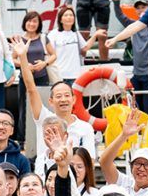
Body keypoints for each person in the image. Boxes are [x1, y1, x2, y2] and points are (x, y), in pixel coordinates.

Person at [16, 48, 97, 176]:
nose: (63, 99)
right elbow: (31, 88)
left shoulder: (85, 128)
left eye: (66, 95)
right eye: (58, 96)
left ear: (73, 99)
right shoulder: (44, 119)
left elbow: (90, 160)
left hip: (72, 179)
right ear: (51, 101)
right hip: (44, 178)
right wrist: (22, 57)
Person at [46, 5, 94, 81]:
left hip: (77, 75)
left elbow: (85, 48)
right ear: (60, 20)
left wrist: (95, 35)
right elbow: (49, 53)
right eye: (66, 15)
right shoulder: (53, 34)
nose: (69, 17)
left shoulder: (75, 33)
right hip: (60, 75)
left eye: (71, 15)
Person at [15, 9, 55, 91]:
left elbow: (54, 55)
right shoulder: (19, 40)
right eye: (29, 21)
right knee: (24, 103)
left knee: (42, 103)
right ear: (25, 23)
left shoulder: (43, 38)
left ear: (39, 24)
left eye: (35, 21)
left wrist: (44, 63)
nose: (32, 24)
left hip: (42, 78)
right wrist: (24, 65)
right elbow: (13, 59)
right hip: (24, 78)